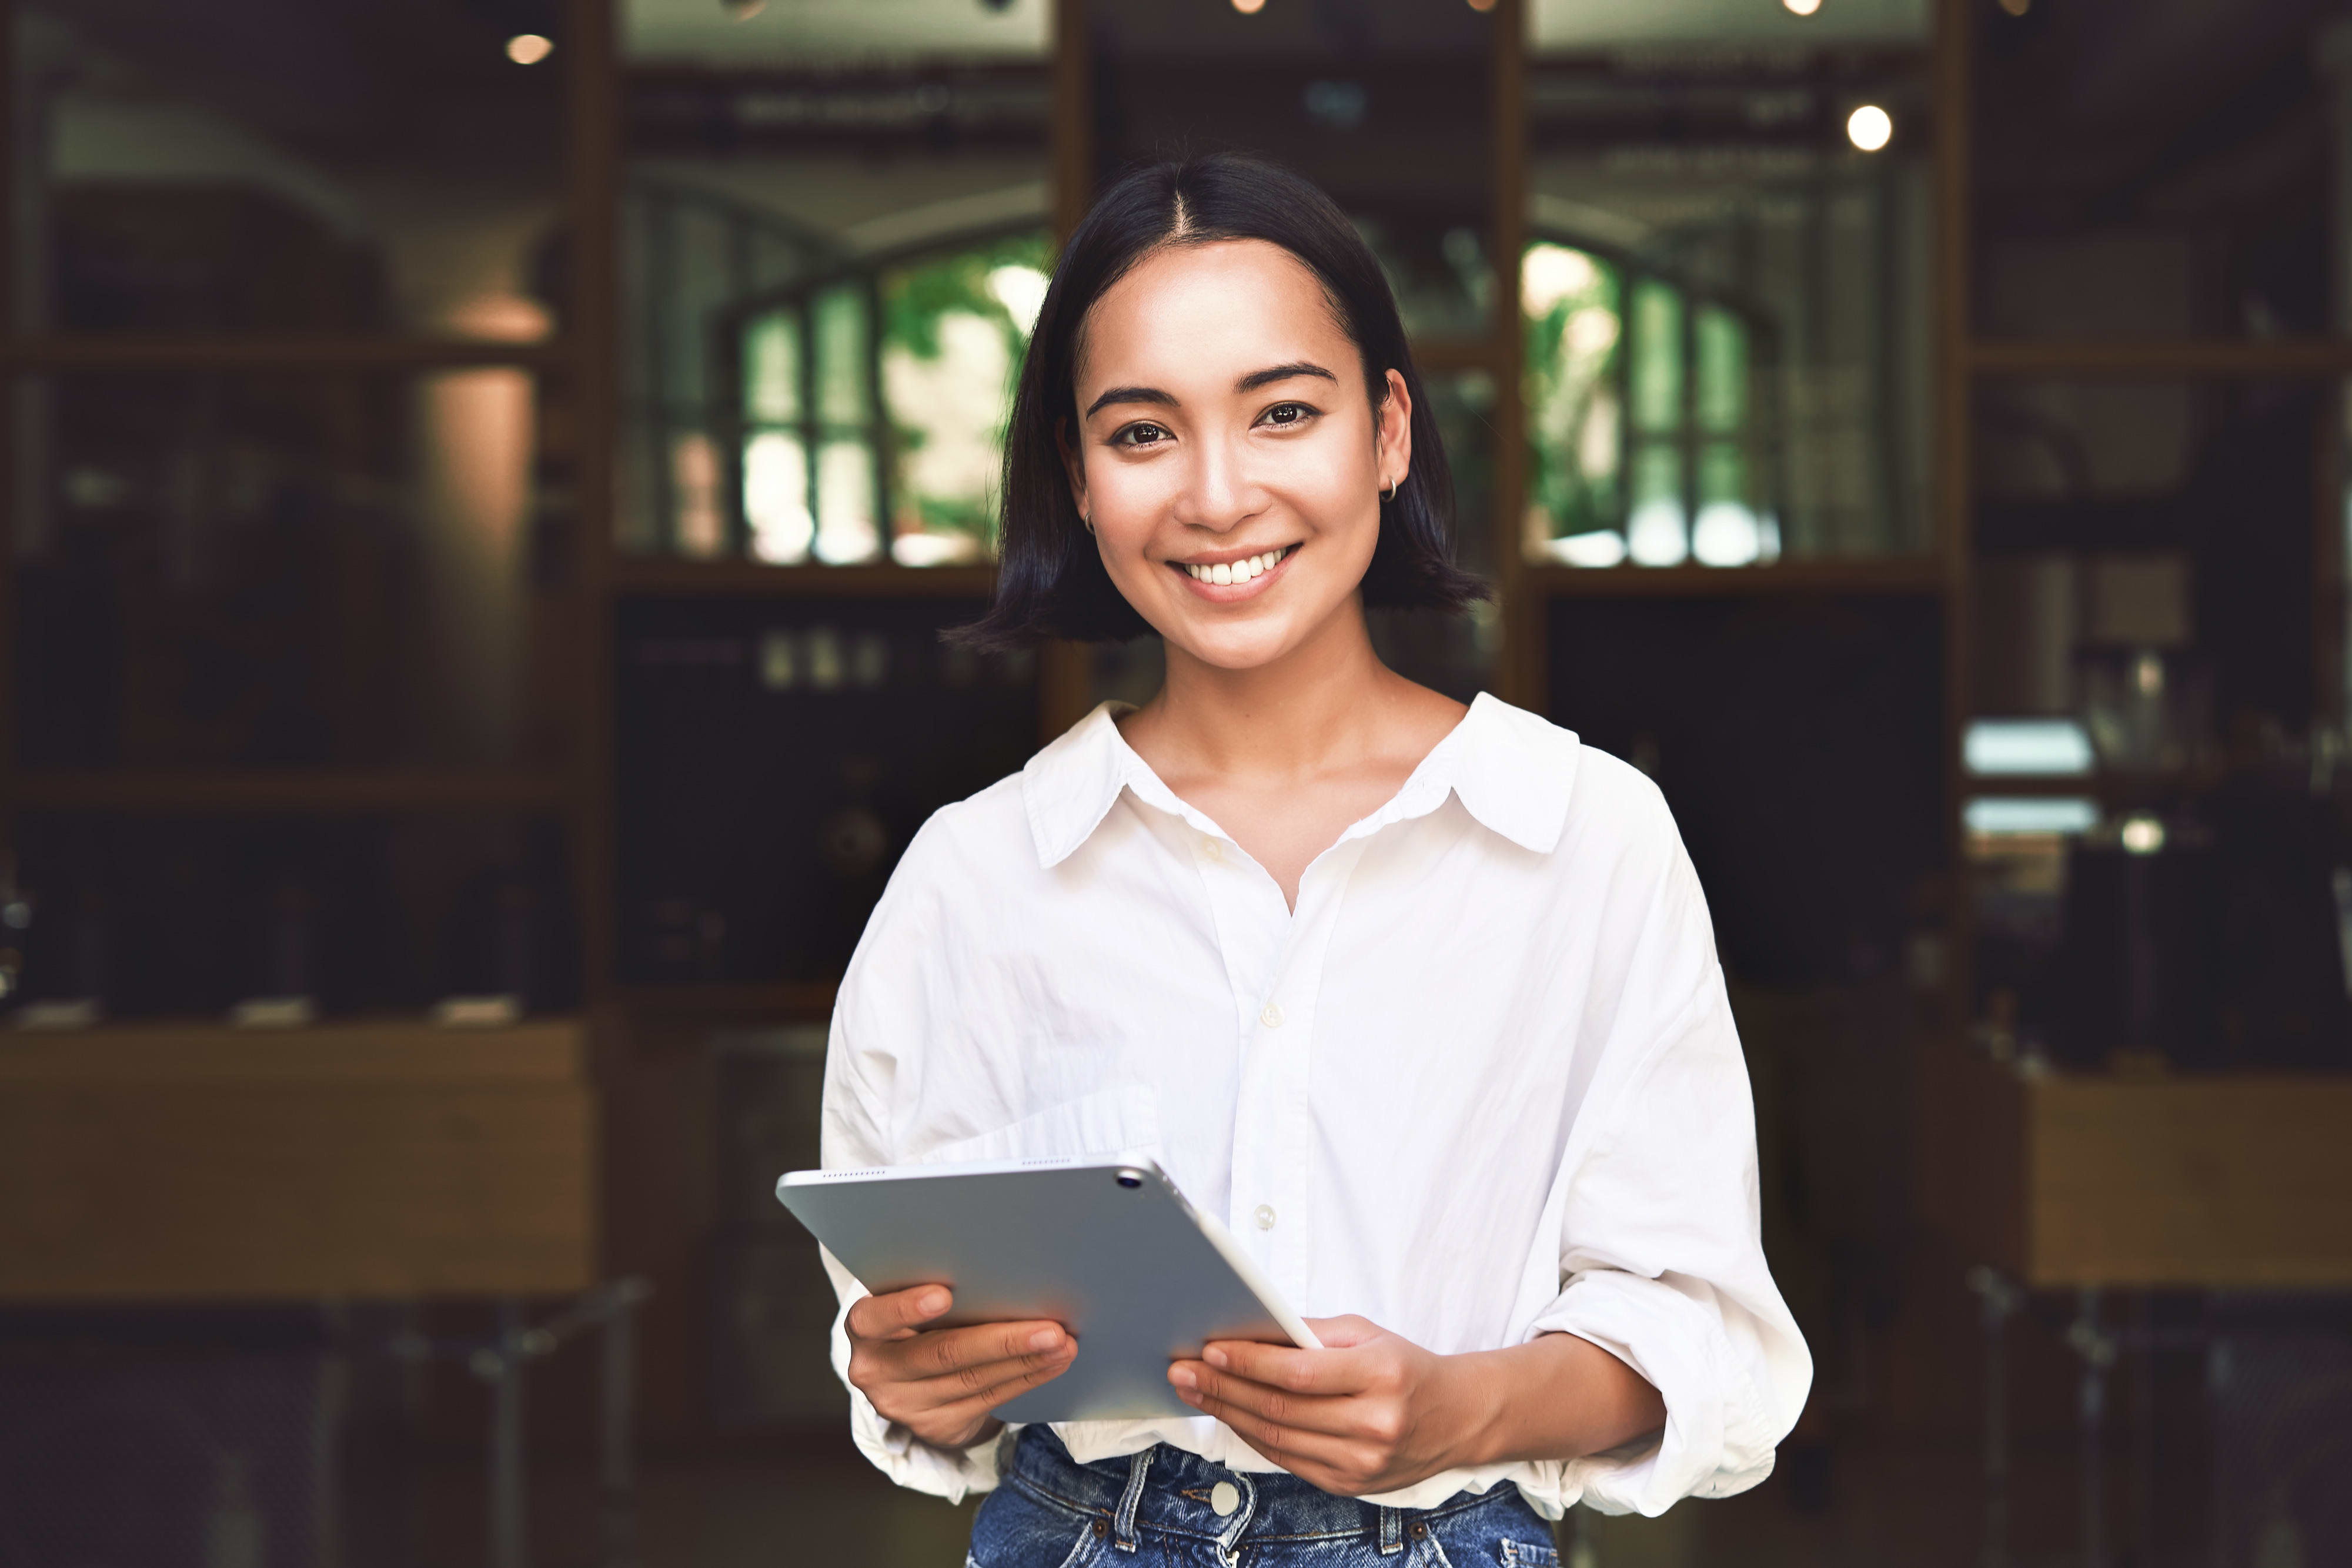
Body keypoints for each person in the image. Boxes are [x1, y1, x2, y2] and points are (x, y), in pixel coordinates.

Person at [818, 153, 1809, 1567]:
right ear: (1075, 478)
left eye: (1283, 411)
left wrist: (1464, 1408)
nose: (1219, 496)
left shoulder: (1583, 834)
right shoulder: (976, 874)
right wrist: (908, 1372)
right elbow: (902, 1331)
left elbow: (1699, 1333)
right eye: (1142, 433)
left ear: (1388, 430)